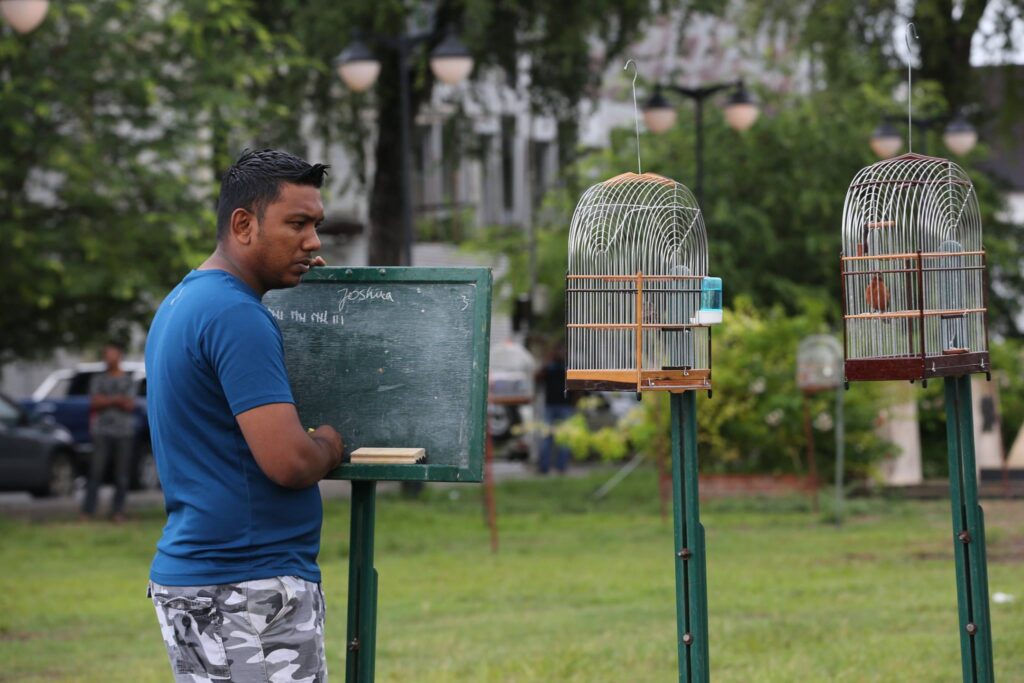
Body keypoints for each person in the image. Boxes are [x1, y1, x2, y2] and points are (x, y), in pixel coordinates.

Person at [144, 149, 345, 682]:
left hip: (202, 577)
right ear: (243, 225)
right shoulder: (236, 314)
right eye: (296, 224)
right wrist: (328, 444)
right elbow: (289, 462)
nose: (313, 242)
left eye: (316, 225)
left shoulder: (186, 300)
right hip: (246, 585)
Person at [81, 341, 135, 521]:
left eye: (112, 353)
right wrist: (117, 400)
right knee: (96, 471)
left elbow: (129, 405)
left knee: (122, 474)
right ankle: (88, 511)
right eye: (106, 354)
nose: (108, 357)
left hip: (124, 432)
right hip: (101, 431)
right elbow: (95, 402)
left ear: (119, 355)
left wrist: (107, 400)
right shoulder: (98, 379)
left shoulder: (128, 380)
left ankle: (118, 511)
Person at [537, 341, 574, 474]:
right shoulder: (549, 367)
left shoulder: (569, 367)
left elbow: (577, 387)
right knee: (546, 437)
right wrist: (547, 361)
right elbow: (538, 378)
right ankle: (544, 468)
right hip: (550, 406)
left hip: (565, 406)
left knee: (564, 438)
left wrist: (575, 403)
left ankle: (561, 467)